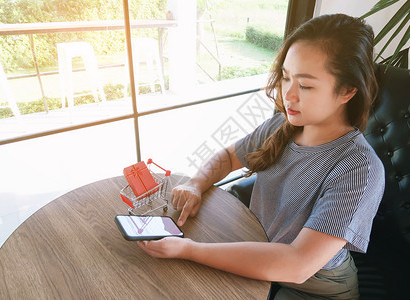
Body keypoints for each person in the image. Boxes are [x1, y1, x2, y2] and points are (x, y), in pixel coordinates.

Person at [138, 13, 385, 299]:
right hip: (257, 252)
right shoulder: (282, 125)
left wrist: (190, 249)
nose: (288, 95)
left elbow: (297, 265)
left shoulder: (359, 169)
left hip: (315, 287)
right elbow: (229, 157)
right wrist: (196, 183)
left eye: (305, 85)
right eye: (286, 77)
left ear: (347, 91)